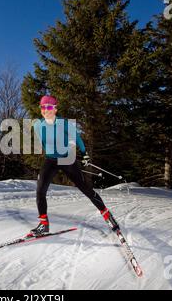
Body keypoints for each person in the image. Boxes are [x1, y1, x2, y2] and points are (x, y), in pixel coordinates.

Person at [28, 95, 119, 237]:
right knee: (40, 190)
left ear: (55, 109)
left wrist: (84, 154)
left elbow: (77, 138)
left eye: (50, 107)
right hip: (51, 160)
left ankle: (107, 216)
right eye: (44, 107)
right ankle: (43, 225)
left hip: (66, 159)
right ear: (41, 109)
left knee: (85, 189)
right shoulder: (37, 125)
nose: (47, 110)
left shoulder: (64, 123)